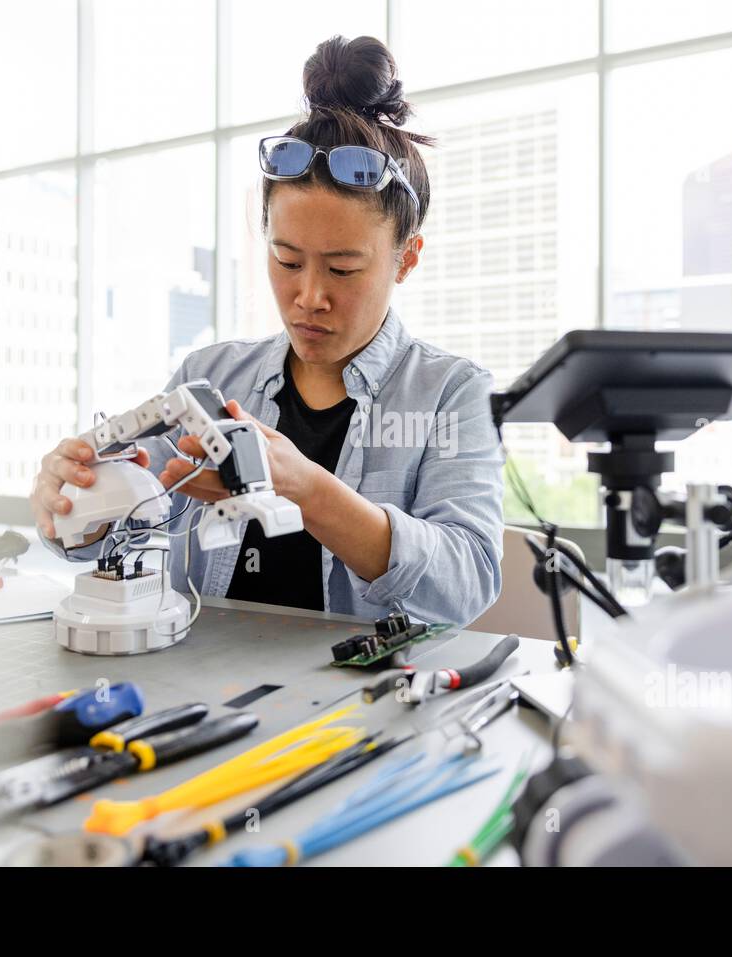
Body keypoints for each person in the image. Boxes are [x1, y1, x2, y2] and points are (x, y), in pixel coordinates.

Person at [30, 35, 504, 627]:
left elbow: (470, 579)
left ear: (406, 258)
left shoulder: (451, 394)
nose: (309, 296)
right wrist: (72, 502)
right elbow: (107, 535)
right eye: (286, 260)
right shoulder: (208, 378)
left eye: (342, 268)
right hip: (201, 685)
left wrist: (307, 489)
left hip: (374, 704)